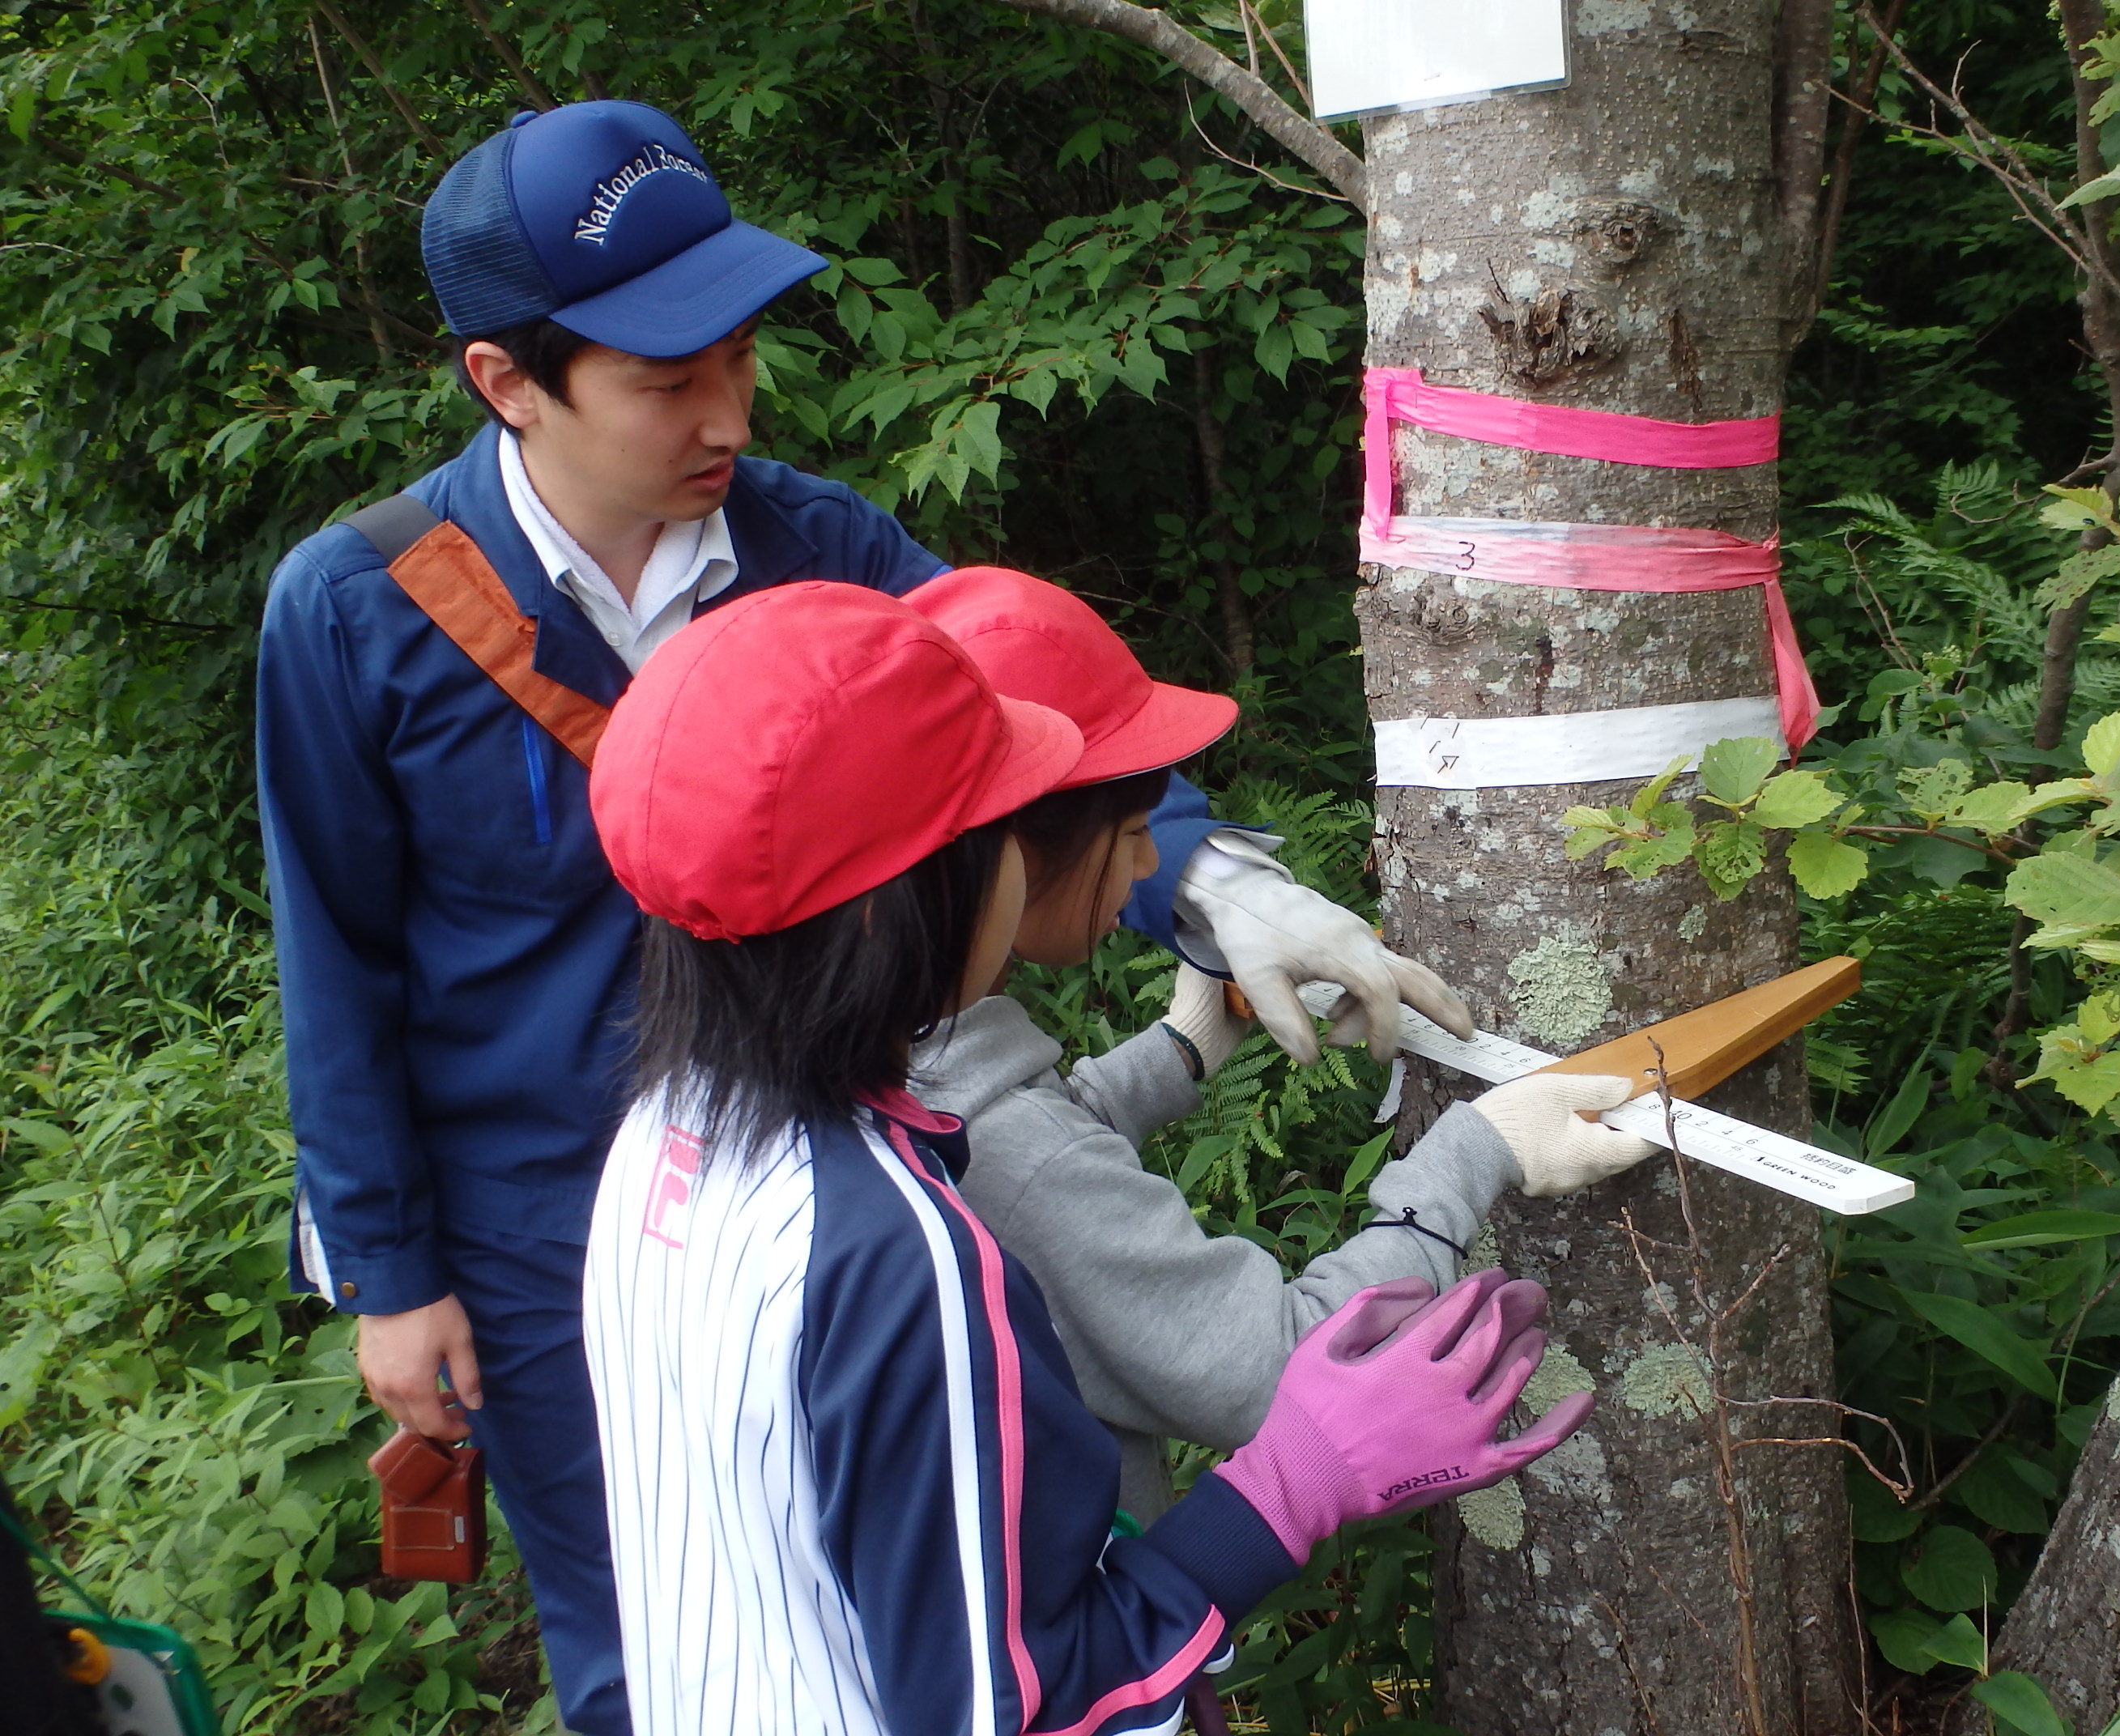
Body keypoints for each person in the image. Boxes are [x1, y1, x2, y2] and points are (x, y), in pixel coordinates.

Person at [256, 100, 1467, 1730]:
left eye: (740, 356)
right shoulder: (361, 614)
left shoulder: (808, 546)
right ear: (508, 381)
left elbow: (1035, 732)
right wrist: (393, 1277)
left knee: (907, 1586)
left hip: (830, 1170)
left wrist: (1219, 881)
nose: (726, 413)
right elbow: (338, 963)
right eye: (667, 378)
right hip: (560, 1222)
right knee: (647, 1607)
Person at [580, 581, 1589, 1734]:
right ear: (905, 895)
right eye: (996, 829)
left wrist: (1179, 1053)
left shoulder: (671, 1136)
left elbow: (992, 1155)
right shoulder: (905, 1262)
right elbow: (1011, 1707)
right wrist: (1289, 1485)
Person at [900, 568, 1662, 1523]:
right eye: (1136, 831)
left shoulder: (884, 1052)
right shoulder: (1014, 1154)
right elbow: (1284, 1366)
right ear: (1009, 850)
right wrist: (1475, 1156)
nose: (1152, 867)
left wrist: (1183, 1045)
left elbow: (1019, 1156)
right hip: (1094, 1655)